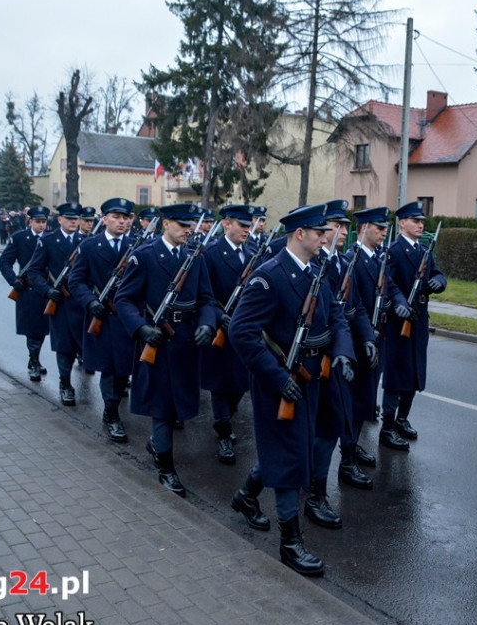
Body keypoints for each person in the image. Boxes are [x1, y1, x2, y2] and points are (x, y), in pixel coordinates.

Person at [227, 204, 352, 576]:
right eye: (319, 233)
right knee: (290, 454)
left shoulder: (318, 273)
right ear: (300, 234)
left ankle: (247, 495)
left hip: (311, 378)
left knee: (293, 448)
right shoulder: (269, 277)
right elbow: (241, 332)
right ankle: (290, 542)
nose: (325, 238)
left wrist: (342, 353)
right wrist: (277, 377)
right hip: (279, 380)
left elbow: (336, 318)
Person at [115, 203, 219, 497]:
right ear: (166, 224)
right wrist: (141, 328)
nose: (189, 230)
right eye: (182, 225)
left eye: (190, 225)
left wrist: (207, 325)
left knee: (179, 408)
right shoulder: (145, 256)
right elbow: (124, 300)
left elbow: (207, 299)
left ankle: (158, 444)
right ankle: (166, 467)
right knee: (161, 408)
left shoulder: (194, 257)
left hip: (186, 341)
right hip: (157, 340)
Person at [306, 200, 376, 522]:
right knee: (307, 432)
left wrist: (366, 339)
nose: (343, 232)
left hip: (338, 357)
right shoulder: (313, 263)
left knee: (331, 425)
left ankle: (319, 489)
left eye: (346, 227)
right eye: (336, 226)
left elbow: (356, 308)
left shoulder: (342, 263)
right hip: (313, 360)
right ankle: (308, 493)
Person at [342, 207, 407, 482]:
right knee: (355, 401)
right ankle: (346, 459)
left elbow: (390, 286)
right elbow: (351, 305)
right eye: (379, 228)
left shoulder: (379, 257)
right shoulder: (351, 260)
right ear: (365, 227)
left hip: (375, 337)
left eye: (385, 228)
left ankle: (353, 445)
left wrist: (400, 302)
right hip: (358, 340)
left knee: (366, 399)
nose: (384, 233)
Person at [68, 198, 137, 443]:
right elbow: (76, 281)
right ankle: (111, 415)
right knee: (109, 370)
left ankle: (113, 406)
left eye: (126, 218)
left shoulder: (136, 246)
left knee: (123, 373)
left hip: (126, 319)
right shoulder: (89, 247)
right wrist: (90, 301)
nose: (122, 221)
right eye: (116, 217)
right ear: (104, 219)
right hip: (103, 317)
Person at [380, 200, 446, 450]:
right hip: (399, 323)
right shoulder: (394, 250)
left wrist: (439, 282)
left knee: (415, 373)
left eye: (422, 222)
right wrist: (398, 301)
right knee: (397, 376)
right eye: (415, 221)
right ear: (402, 223)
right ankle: (387, 427)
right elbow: (387, 280)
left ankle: (402, 419)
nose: (420, 225)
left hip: (418, 321)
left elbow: (437, 273)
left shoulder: (423, 251)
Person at [201, 204, 257, 464]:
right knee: (221, 384)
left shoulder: (253, 253)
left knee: (240, 383)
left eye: (249, 226)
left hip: (244, 327)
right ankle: (223, 430)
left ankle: (226, 418)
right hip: (221, 325)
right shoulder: (210, 253)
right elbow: (204, 294)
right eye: (242, 226)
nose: (247, 230)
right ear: (226, 224)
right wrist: (216, 316)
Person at [27, 203, 87, 406]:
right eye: (69, 218)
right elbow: (33, 271)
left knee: (84, 345)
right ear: (59, 219)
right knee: (64, 347)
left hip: (81, 302)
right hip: (60, 303)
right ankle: (65, 383)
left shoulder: (85, 242)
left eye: (76, 218)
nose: (73, 222)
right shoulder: (48, 241)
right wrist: (47, 290)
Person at [0, 207, 51, 381]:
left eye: (44, 222)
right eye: (38, 222)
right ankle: (34, 363)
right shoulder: (20, 238)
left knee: (42, 329)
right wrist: (14, 281)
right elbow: (5, 261)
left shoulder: (51, 239)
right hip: (27, 289)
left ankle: (33, 359)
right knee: (32, 329)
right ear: (30, 221)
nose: (41, 225)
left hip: (46, 289)